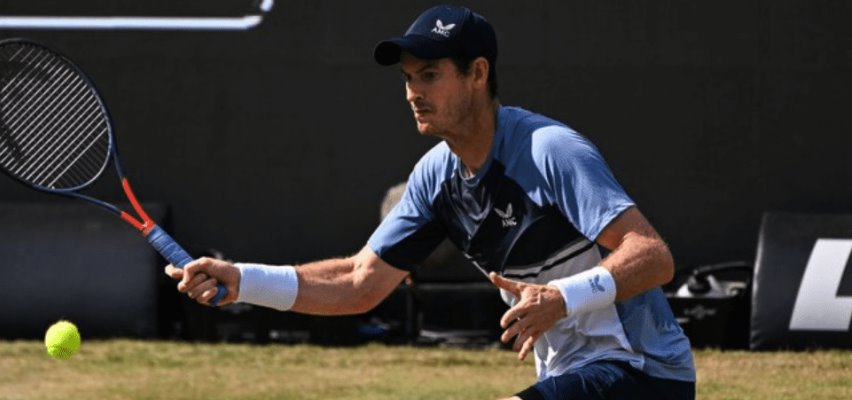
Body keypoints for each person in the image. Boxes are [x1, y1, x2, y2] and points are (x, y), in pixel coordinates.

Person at [166, 4, 696, 399]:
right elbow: (358, 282)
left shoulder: (551, 151)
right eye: (408, 79)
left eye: (430, 75)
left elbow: (653, 257)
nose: (413, 92)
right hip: (568, 377)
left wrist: (560, 297)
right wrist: (243, 280)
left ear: (478, 74)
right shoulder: (436, 178)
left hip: (642, 373)